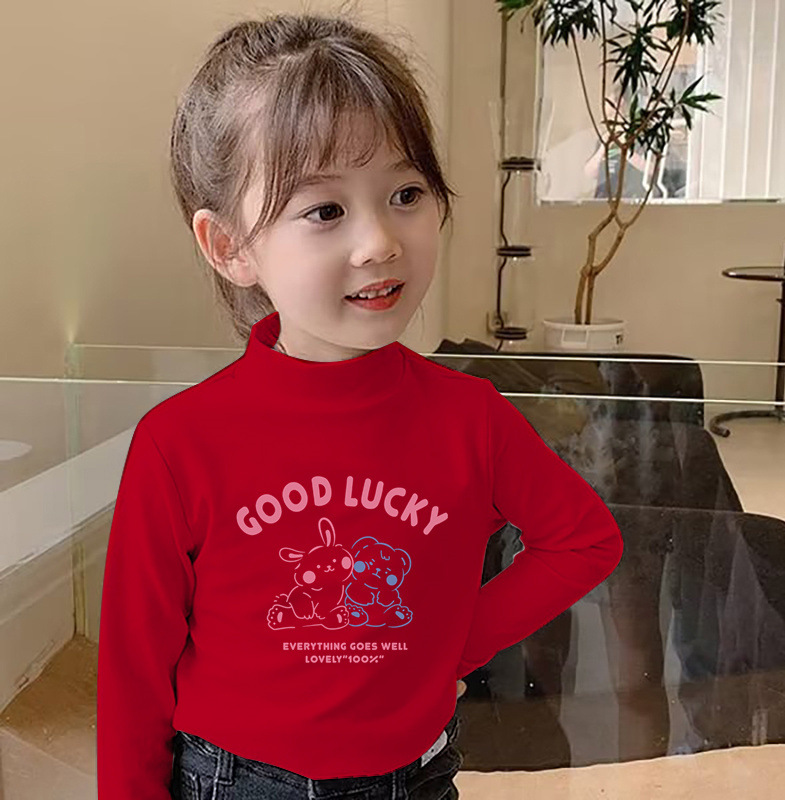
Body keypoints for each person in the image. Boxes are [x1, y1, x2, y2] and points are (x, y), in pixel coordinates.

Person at [96, 10, 624, 800]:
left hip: (415, 776)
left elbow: (584, 540)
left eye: (406, 192)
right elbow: (134, 671)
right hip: (238, 783)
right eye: (325, 210)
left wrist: (454, 646)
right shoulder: (180, 441)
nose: (380, 242)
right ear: (229, 246)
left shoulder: (471, 418)